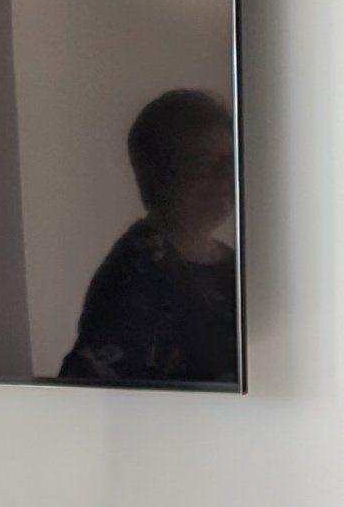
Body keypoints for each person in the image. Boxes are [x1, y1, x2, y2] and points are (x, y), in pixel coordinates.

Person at [59, 89, 238, 386]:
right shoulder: (137, 271)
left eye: (230, 160)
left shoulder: (229, 261)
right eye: (204, 162)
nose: (226, 177)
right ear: (160, 176)